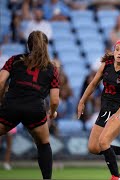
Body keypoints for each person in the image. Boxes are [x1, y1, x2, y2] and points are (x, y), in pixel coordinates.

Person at [0, 31, 59, 179]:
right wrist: (52, 112)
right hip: (35, 109)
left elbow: (1, 82)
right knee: (44, 144)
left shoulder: (14, 60)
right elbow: (54, 100)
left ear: (28, 45)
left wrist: (1, 101)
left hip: (11, 105)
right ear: (46, 46)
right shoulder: (51, 68)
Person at [77, 40, 120, 180]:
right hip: (106, 109)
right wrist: (82, 101)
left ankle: (117, 177)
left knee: (103, 142)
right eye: (117, 49)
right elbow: (93, 83)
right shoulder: (106, 65)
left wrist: (118, 114)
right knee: (93, 147)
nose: (119, 53)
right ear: (114, 51)